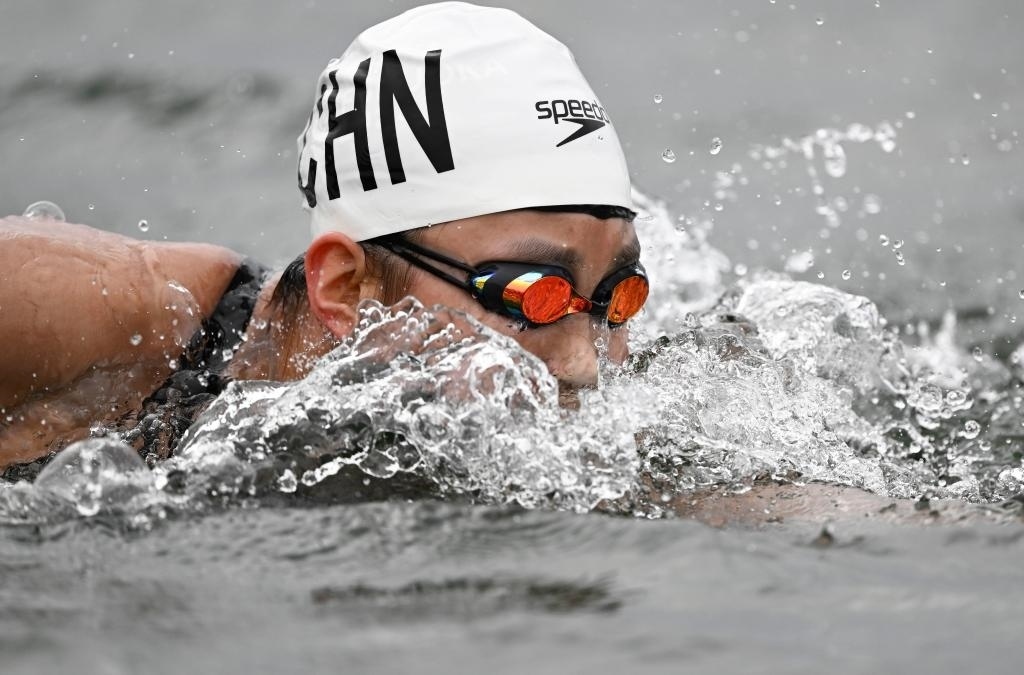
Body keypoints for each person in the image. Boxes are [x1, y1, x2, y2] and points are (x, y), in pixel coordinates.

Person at [0, 2, 648, 477]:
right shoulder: (76, 314)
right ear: (345, 286)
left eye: (615, 299)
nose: (584, 363)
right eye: (530, 293)